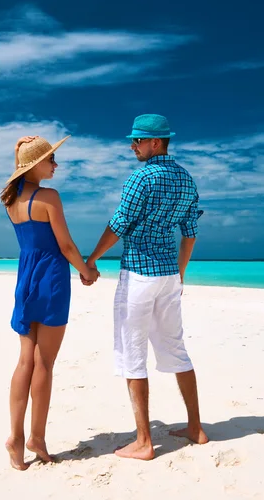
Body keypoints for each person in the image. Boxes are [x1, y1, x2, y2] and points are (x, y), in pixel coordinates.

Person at [84, 114, 208, 460]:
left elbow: (119, 225)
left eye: (137, 141)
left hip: (139, 274)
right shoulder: (185, 178)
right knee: (177, 349)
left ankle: (143, 441)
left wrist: (92, 258)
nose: (132, 146)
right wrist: (180, 273)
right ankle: (196, 427)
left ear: (156, 142)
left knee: (133, 355)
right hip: (168, 276)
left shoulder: (141, 178)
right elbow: (190, 233)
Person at [1, 134, 99, 471]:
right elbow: (66, 245)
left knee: (24, 361)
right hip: (52, 280)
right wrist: (86, 271)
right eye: (51, 159)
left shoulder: (11, 201)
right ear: (33, 166)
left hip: (25, 277)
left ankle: (15, 438)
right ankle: (36, 438)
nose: (55, 165)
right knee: (44, 364)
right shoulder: (48, 197)